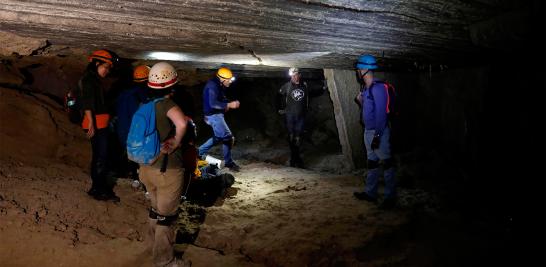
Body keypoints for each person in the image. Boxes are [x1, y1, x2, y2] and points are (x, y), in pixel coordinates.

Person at [139, 62, 190, 267]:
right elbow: (182, 124)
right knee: (166, 217)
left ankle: (152, 246)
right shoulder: (168, 105)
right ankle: (164, 261)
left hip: (146, 168)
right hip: (167, 169)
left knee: (154, 209)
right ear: (172, 84)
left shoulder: (144, 105)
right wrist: (176, 141)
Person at [352, 54, 397, 209]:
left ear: (364, 69)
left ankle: (391, 197)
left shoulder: (378, 88)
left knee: (387, 163)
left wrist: (377, 136)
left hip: (379, 132)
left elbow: (381, 116)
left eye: (359, 69)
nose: (357, 72)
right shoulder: (366, 89)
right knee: (372, 163)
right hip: (368, 131)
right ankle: (371, 193)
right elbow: (369, 111)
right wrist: (361, 102)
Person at [80, 49, 120, 202]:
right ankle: (99, 190)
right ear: (96, 63)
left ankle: (96, 188)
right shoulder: (88, 79)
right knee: (101, 157)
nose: (107, 71)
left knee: (100, 156)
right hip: (95, 124)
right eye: (106, 67)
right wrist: (91, 122)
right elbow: (87, 102)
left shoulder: (94, 79)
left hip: (100, 123)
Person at [197, 67, 241, 172]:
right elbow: (213, 103)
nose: (230, 81)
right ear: (222, 79)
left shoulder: (219, 84)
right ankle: (229, 163)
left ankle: (198, 152)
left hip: (215, 115)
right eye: (229, 80)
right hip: (214, 116)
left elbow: (220, 98)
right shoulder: (212, 86)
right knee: (228, 138)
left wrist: (226, 104)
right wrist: (229, 104)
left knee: (218, 137)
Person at [116, 65, 149, 182]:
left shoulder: (123, 93)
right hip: (133, 129)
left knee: (125, 152)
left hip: (121, 128)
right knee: (137, 155)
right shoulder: (141, 94)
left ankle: (126, 173)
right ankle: (136, 177)